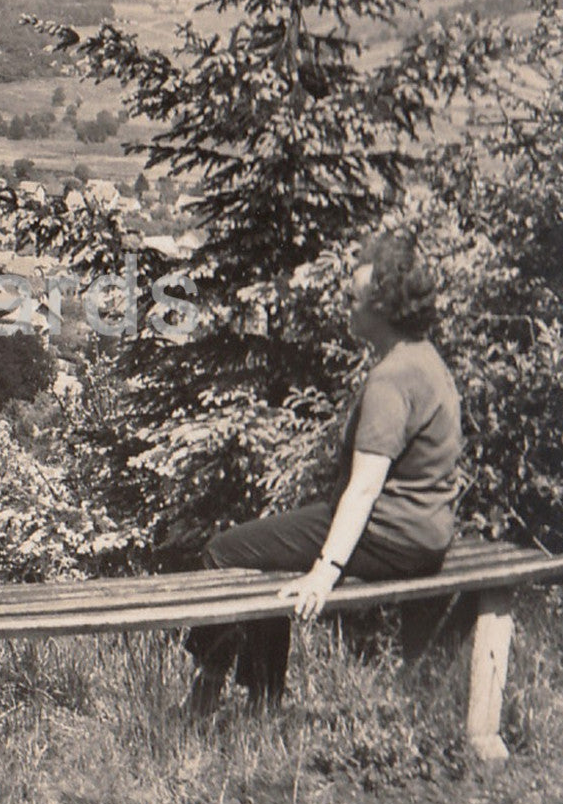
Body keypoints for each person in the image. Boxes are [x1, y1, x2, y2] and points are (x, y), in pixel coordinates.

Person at [185, 231, 464, 714]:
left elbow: (365, 487)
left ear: (384, 310)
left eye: (354, 300)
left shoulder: (391, 378)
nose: (346, 308)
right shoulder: (427, 360)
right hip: (426, 535)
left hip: (390, 535)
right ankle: (262, 698)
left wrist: (325, 570)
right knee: (269, 553)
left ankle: (211, 687)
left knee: (224, 552)